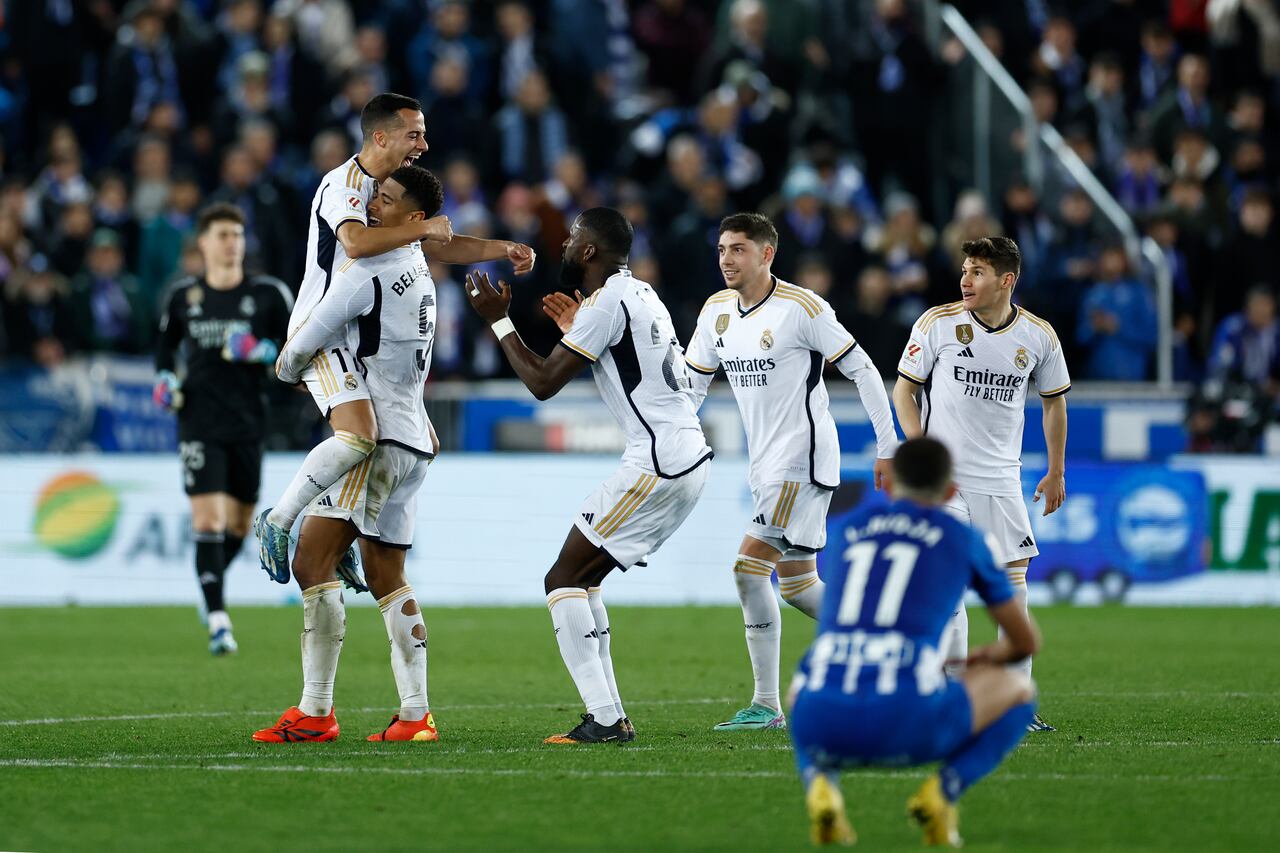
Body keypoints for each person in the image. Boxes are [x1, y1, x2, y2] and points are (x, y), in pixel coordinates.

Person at [255, 92, 534, 583]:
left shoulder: (387, 191)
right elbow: (357, 242)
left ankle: (338, 534)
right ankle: (277, 521)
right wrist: (421, 227)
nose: (423, 144)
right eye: (414, 134)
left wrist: (503, 247)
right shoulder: (342, 185)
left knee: (374, 438)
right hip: (321, 330)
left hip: (355, 338)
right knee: (361, 436)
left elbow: (438, 244)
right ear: (381, 136)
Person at [467, 207, 713, 744]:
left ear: (588, 252)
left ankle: (604, 719)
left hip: (657, 462)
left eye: (572, 238)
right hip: (684, 456)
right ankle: (609, 715)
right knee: (585, 578)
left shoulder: (603, 305)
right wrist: (576, 331)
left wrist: (498, 320)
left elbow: (542, 382)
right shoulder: (642, 294)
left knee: (562, 579)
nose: (563, 245)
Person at [676, 212, 898, 731]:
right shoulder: (716, 312)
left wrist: (888, 446)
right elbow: (692, 388)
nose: (726, 259)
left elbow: (861, 367)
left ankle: (765, 704)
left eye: (738, 249)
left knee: (747, 570)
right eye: (722, 248)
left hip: (802, 459)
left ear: (766, 254)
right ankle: (890, 639)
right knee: (798, 586)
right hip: (765, 465)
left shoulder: (802, 308)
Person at [251, 166, 445, 743]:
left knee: (311, 563)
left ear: (413, 219)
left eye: (385, 201)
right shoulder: (420, 268)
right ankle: (415, 716)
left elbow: (313, 332)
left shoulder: (373, 267)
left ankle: (316, 713)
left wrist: (286, 368)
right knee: (388, 574)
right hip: (417, 439)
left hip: (378, 442)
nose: (371, 208)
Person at [789, 437, 1041, 847]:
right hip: (908, 723)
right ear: (951, 491)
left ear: (888, 485)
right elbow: (1024, 642)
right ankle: (943, 793)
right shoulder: (964, 538)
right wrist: (985, 656)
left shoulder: (850, 531)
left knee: (804, 678)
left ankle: (820, 784)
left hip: (821, 723)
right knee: (1019, 690)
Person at [892, 236, 1067, 733]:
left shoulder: (1038, 336)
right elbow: (904, 390)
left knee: (1012, 590)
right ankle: (952, 699)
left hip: (1001, 480)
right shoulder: (937, 323)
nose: (966, 279)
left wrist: (1056, 471)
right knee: (946, 584)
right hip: (944, 482)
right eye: (965, 269)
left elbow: (1054, 403)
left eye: (978, 272)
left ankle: (1014, 702)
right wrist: (920, 447)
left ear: (1006, 281)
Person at [153, 203, 293, 655]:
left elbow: (297, 351)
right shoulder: (183, 298)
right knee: (208, 519)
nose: (232, 242)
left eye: (237, 233)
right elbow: (164, 352)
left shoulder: (269, 294)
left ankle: (209, 589)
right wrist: (165, 383)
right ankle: (218, 621)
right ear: (204, 244)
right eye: (222, 235)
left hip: (248, 422)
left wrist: (261, 349)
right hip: (197, 421)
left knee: (237, 524)